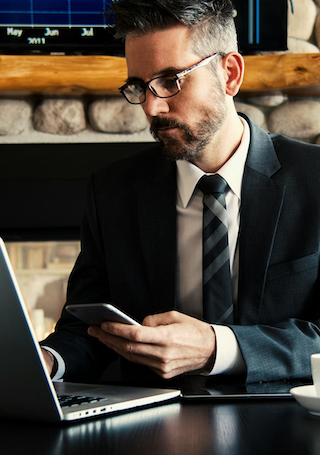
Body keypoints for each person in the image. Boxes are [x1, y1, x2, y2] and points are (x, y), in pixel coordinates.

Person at [41, 0, 320, 386]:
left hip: (286, 425)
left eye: (171, 79)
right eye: (139, 86)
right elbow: (87, 330)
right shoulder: (112, 192)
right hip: (153, 428)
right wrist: (48, 361)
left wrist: (216, 348)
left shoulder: (315, 179)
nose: (153, 107)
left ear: (230, 74)